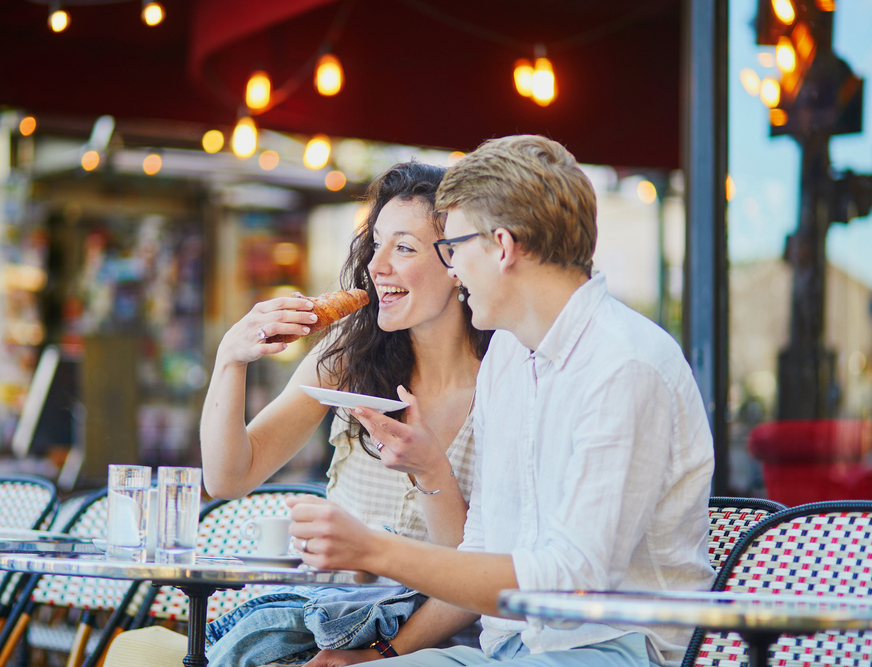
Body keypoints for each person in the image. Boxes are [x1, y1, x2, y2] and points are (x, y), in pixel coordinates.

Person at [286, 135, 716, 667]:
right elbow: (482, 545)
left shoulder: (624, 366)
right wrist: (379, 653)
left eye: (455, 248)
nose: (454, 270)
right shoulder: (510, 357)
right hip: (507, 649)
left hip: (614, 650)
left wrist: (373, 550)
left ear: (503, 247)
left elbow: (570, 584)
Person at [103, 161, 493, 667]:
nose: (378, 267)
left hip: (434, 636)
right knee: (136, 650)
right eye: (376, 244)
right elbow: (228, 477)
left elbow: (479, 570)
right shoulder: (347, 361)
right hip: (326, 617)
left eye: (404, 247)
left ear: (457, 262)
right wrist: (230, 360)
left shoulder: (503, 386)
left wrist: (379, 654)